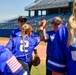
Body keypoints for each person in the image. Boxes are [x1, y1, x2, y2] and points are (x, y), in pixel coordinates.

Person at [46, 1, 76, 75]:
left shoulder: (63, 31)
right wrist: (42, 29)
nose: (55, 25)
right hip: (54, 57)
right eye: (54, 24)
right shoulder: (59, 32)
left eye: (57, 24)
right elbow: (43, 38)